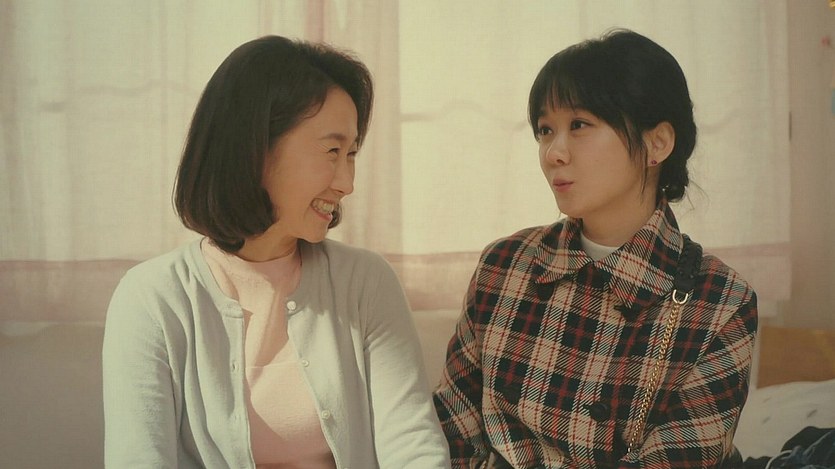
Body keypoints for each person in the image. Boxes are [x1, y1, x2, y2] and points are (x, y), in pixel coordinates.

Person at [102, 35, 450, 468]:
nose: (347, 183)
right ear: (255, 149)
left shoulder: (365, 281)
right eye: (332, 151)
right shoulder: (153, 297)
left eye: (352, 154)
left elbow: (413, 444)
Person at [433, 29, 757, 468]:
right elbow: (450, 436)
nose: (554, 153)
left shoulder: (720, 301)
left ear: (658, 143)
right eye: (545, 130)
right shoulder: (505, 265)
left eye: (580, 125)